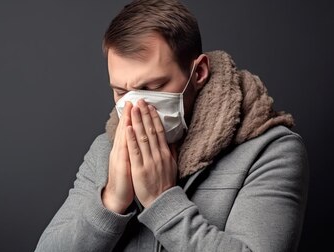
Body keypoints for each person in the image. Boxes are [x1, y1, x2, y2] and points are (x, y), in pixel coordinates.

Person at [34, 0, 309, 251]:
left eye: (151, 87)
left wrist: (161, 201)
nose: (133, 106)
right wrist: (110, 203)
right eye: (120, 91)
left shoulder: (272, 152)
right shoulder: (106, 150)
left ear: (198, 72)